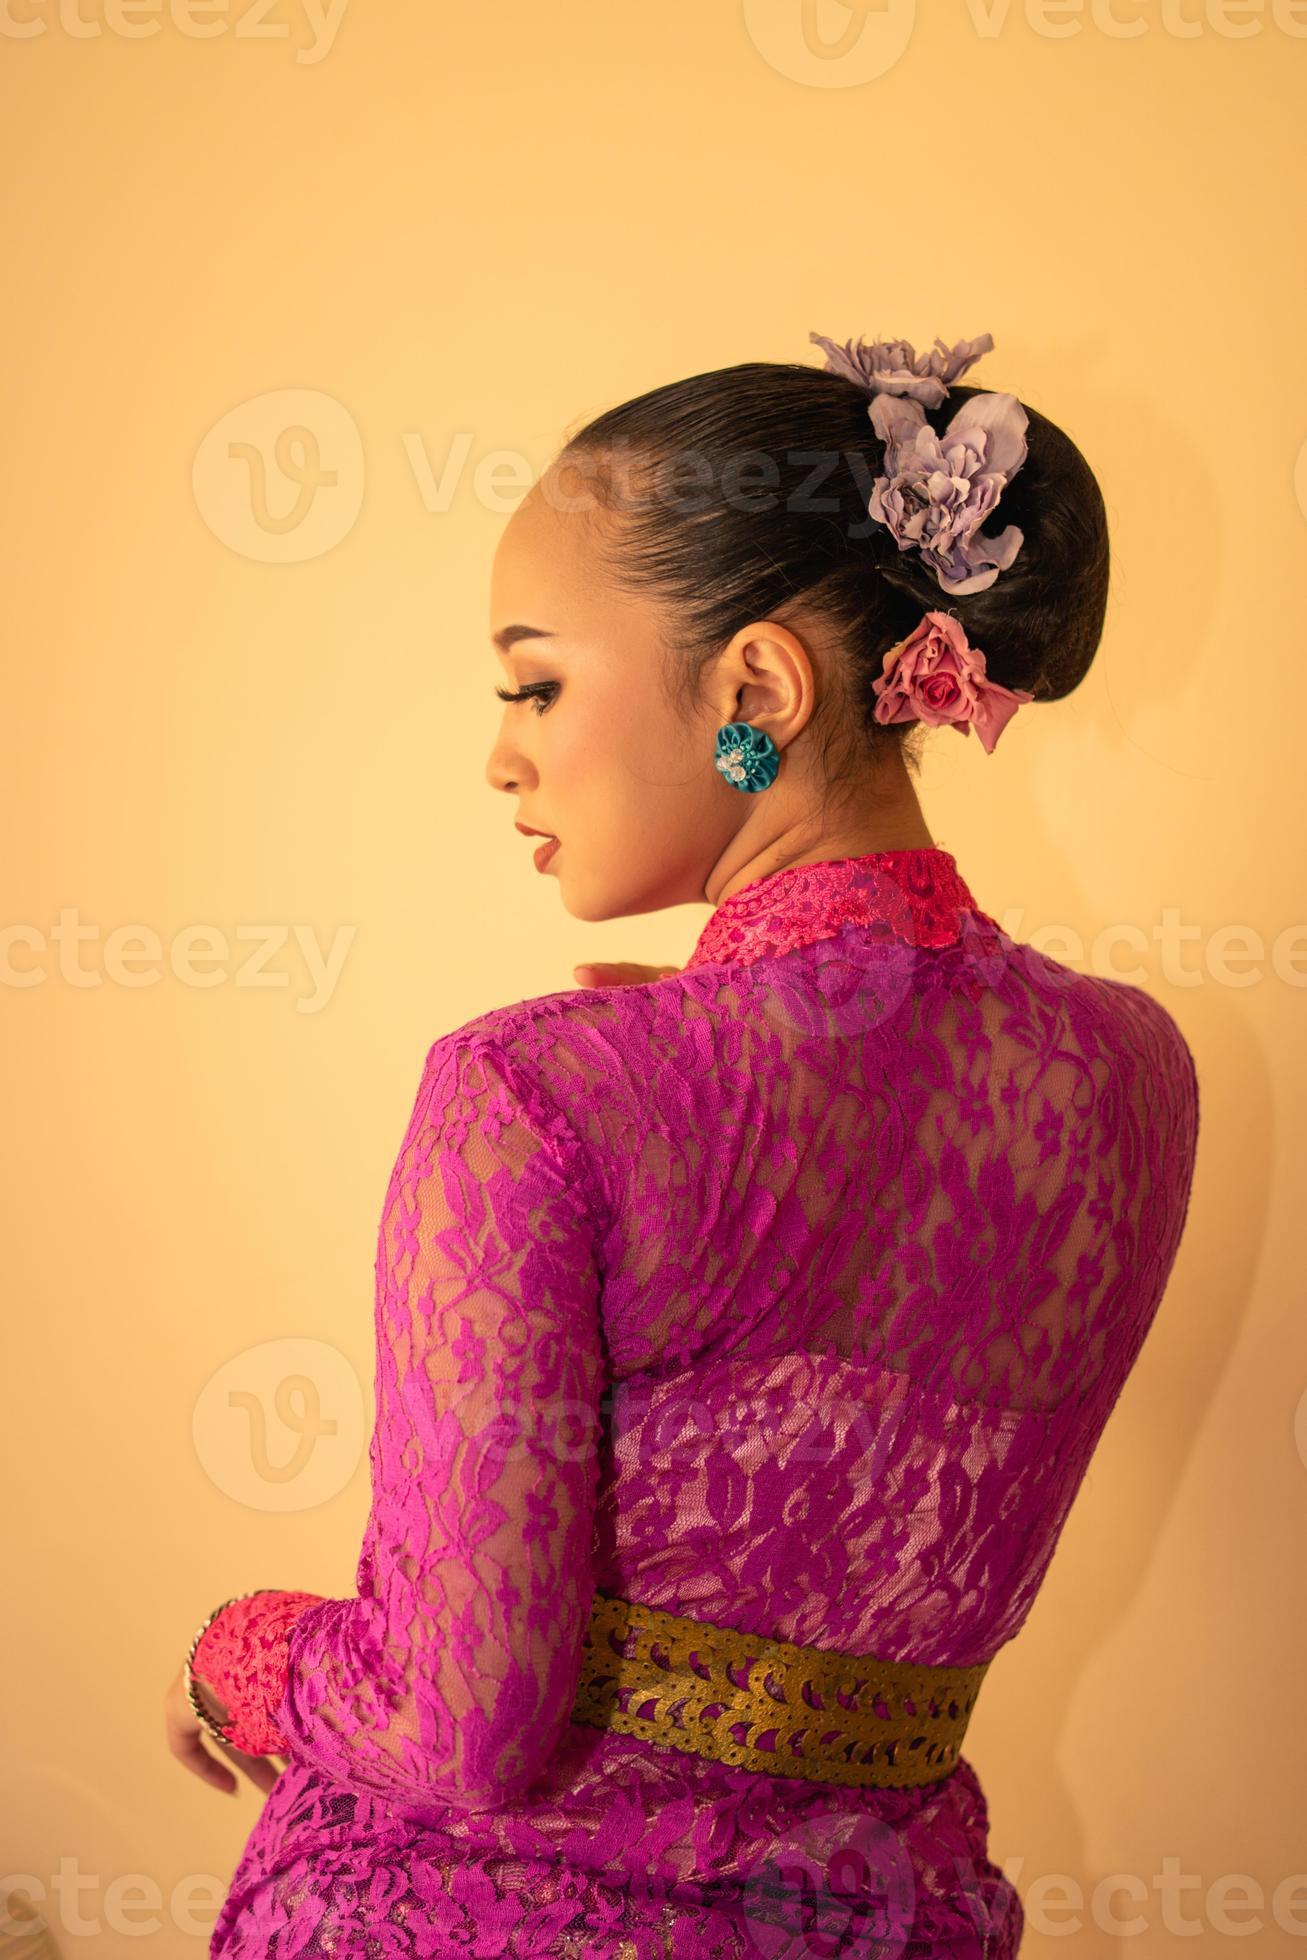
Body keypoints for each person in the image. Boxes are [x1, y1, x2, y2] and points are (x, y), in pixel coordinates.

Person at [164, 333, 1201, 1958]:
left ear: (759, 689)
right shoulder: (1133, 1073)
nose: (501, 751)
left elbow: (455, 1726)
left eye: (536, 681)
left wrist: (235, 1651)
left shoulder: (538, 1094)